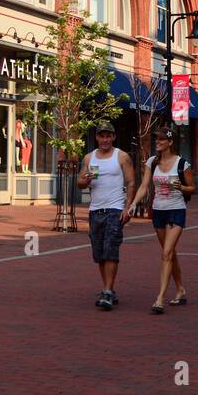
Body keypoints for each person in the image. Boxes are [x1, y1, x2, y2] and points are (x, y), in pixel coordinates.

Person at [130, 127, 195, 314]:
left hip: (176, 210)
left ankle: (159, 299)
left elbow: (192, 188)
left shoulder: (182, 164)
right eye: (156, 140)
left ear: (170, 142)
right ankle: (181, 289)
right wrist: (134, 203)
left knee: (166, 254)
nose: (157, 143)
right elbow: (144, 185)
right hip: (158, 211)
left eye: (161, 140)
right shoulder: (152, 162)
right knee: (170, 253)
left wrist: (181, 186)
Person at [77, 121, 135, 311]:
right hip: (95, 210)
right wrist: (85, 180)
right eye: (102, 136)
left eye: (108, 136)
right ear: (97, 137)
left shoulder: (122, 157)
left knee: (111, 249)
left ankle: (108, 291)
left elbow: (131, 182)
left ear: (113, 137)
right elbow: (79, 182)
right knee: (99, 253)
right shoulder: (89, 158)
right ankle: (107, 288)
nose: (105, 139)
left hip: (115, 209)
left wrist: (128, 207)